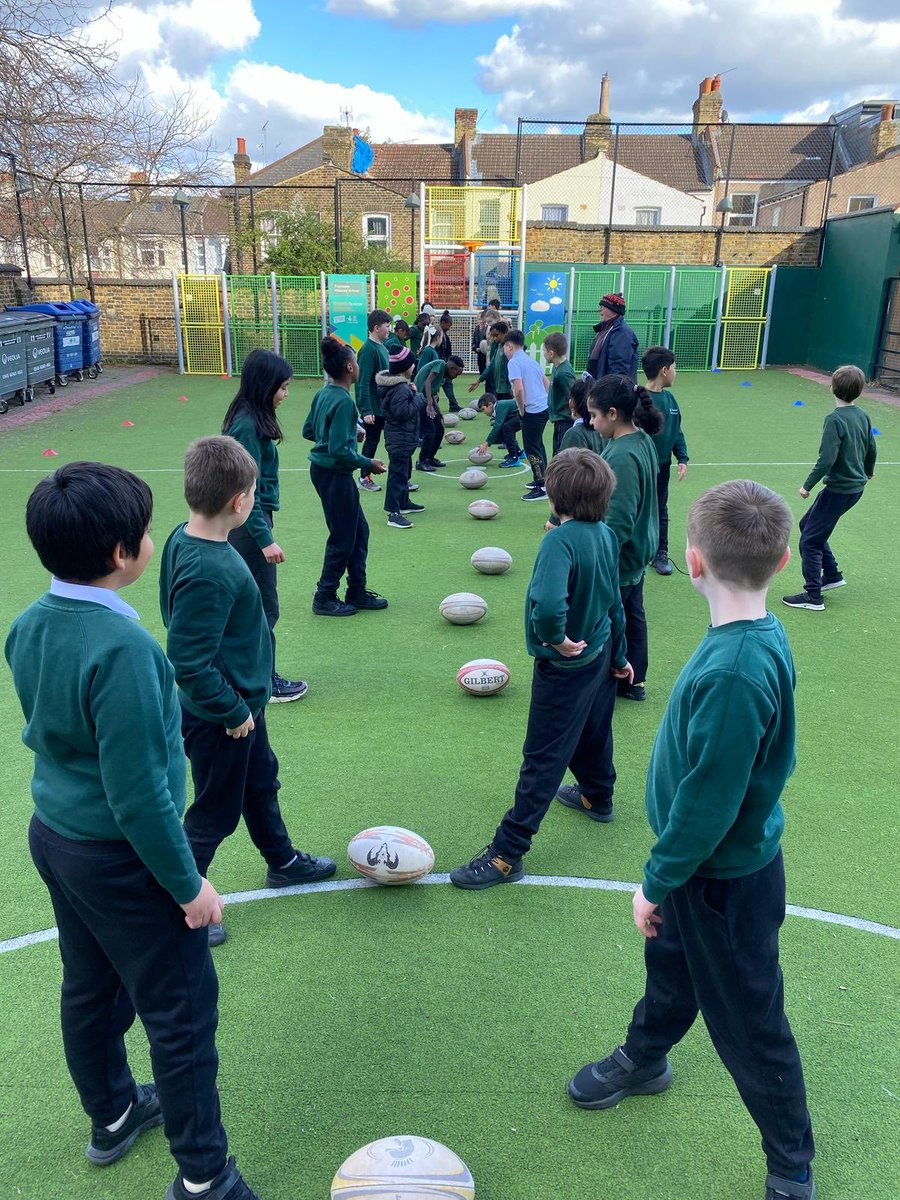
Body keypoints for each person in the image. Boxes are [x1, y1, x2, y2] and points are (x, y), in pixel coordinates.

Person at [6, 461, 268, 1200]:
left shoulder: (28, 624)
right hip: (120, 856)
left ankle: (115, 1113)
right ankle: (205, 1177)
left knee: (89, 987)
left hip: (56, 837)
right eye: (147, 531)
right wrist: (189, 886)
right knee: (181, 1013)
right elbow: (140, 797)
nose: (155, 539)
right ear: (123, 553)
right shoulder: (125, 651)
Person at [568, 479, 816, 1200]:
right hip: (701, 874)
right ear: (783, 561)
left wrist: (656, 880)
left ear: (694, 562)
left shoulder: (737, 668)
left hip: (721, 879)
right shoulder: (747, 636)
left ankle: (791, 1162)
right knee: (672, 968)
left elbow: (709, 804)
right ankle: (645, 1057)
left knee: (751, 1023)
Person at [160, 436, 336, 946]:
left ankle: (282, 861)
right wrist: (233, 710)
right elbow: (187, 662)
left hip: (242, 706)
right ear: (239, 501)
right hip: (222, 716)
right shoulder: (209, 570)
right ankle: (181, 904)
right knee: (214, 813)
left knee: (261, 782)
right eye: (254, 494)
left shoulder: (187, 537)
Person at [449, 448, 630, 889]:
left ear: (553, 497)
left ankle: (507, 854)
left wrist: (555, 638)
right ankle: (597, 795)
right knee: (593, 729)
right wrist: (620, 656)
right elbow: (614, 600)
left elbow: (549, 605)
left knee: (542, 758)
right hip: (602, 650)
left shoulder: (558, 542)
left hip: (566, 665)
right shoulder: (606, 535)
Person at [222, 348, 305, 704]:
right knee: (263, 605)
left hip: (250, 520)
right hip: (247, 524)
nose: (285, 394)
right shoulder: (246, 425)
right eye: (282, 387)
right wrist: (264, 539)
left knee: (251, 604)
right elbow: (244, 491)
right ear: (264, 385)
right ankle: (264, 682)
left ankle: (245, 676)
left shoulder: (252, 418)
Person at [303, 337, 389, 616]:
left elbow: (309, 430)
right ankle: (324, 596)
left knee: (359, 531)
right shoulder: (343, 401)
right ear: (350, 367)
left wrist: (350, 432)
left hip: (324, 472)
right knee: (343, 537)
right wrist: (368, 463)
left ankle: (356, 591)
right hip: (335, 475)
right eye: (356, 362)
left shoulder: (324, 393)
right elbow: (339, 450)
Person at [589, 375, 661, 702]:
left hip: (622, 555)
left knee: (609, 619)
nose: (592, 423)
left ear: (613, 413)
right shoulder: (641, 438)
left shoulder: (621, 454)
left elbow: (619, 519)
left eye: (595, 415)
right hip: (639, 549)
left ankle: (610, 680)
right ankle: (634, 681)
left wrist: (599, 561)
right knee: (633, 614)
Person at [782, 364, 876, 611]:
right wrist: (869, 470)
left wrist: (807, 486)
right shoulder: (862, 415)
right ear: (860, 391)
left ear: (832, 388)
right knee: (808, 525)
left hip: (839, 490)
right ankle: (832, 575)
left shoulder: (834, 420)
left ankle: (813, 596)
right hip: (855, 489)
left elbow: (826, 460)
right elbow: (871, 447)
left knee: (810, 541)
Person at [642, 346, 689, 577]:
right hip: (640, 468)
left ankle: (660, 553)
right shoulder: (639, 400)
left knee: (660, 509)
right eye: (674, 368)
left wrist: (682, 457)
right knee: (637, 507)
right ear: (664, 370)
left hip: (662, 468)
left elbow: (677, 430)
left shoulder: (670, 400)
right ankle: (632, 549)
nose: (675, 373)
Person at [376, 345, 426, 529]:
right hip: (399, 439)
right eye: (412, 363)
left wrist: (411, 393)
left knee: (404, 472)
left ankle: (403, 502)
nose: (414, 366)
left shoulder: (400, 386)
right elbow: (402, 412)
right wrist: (418, 398)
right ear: (405, 367)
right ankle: (393, 513)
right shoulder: (400, 388)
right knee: (397, 475)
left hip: (402, 438)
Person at [504, 329, 550, 502]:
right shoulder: (530, 360)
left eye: (504, 346)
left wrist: (522, 408)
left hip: (532, 410)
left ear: (509, 346)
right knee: (538, 444)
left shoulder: (514, 362)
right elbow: (546, 382)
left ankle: (541, 486)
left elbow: (518, 389)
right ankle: (545, 480)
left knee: (532, 449)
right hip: (543, 407)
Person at [357, 308, 391, 494]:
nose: (389, 329)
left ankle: (398, 477)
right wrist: (366, 409)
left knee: (394, 441)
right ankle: (364, 477)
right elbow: (362, 381)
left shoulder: (382, 348)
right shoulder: (368, 350)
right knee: (372, 441)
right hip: (374, 408)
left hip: (385, 406)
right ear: (376, 328)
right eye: (387, 326)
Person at [414, 354, 465, 473]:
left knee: (440, 429)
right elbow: (427, 383)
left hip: (427, 400)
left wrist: (439, 412)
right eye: (457, 373)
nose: (456, 377)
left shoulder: (442, 375)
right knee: (430, 431)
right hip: (420, 399)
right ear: (452, 368)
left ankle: (430, 458)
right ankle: (421, 461)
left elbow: (433, 393)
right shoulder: (440, 365)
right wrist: (429, 405)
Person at [586, 293, 639, 382]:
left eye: (603, 306)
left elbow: (619, 370)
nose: (600, 310)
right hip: (600, 386)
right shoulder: (604, 330)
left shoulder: (622, 333)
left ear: (613, 310)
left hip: (611, 388)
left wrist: (610, 388)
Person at [543, 332, 576, 454]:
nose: (543, 353)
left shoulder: (563, 373)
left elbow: (574, 396)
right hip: (558, 419)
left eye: (544, 351)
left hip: (565, 421)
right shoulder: (556, 367)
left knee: (561, 455)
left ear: (551, 353)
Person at [468, 320, 512, 408]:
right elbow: (491, 366)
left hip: (507, 389)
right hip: (498, 388)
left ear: (505, 333)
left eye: (496, 335)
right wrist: (479, 380)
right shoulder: (498, 347)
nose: (494, 338)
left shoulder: (510, 349)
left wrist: (512, 386)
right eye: (493, 336)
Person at [475, 392, 525, 467]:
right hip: (522, 415)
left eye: (483, 409)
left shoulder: (500, 406)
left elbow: (497, 426)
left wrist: (486, 443)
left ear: (490, 405)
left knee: (507, 428)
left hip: (528, 415)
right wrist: (488, 443)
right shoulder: (498, 408)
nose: (484, 412)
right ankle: (518, 453)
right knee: (504, 428)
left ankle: (514, 458)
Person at [436, 310, 462, 412]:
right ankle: (436, 405)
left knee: (448, 384)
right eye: (448, 326)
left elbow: (448, 352)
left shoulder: (445, 337)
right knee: (436, 387)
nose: (449, 328)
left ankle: (453, 405)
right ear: (443, 323)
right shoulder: (437, 335)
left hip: (444, 366)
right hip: (438, 366)